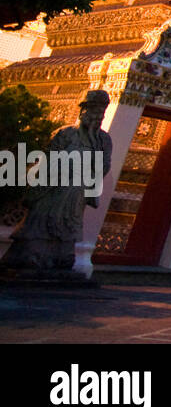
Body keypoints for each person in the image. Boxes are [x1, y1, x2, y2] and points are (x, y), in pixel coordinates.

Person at [1, 89, 113, 273]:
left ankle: (62, 257)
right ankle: (31, 255)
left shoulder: (103, 140)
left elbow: (104, 166)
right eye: (90, 111)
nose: (95, 116)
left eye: (99, 113)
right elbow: (47, 157)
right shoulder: (65, 134)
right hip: (53, 186)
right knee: (41, 220)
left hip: (77, 191)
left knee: (69, 225)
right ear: (82, 112)